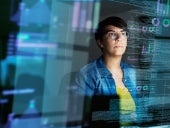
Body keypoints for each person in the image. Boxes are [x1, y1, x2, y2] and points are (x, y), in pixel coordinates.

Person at [70, 16, 137, 127]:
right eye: (112, 34)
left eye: (123, 33)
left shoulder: (132, 72)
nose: (119, 38)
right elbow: (81, 118)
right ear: (100, 42)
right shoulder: (88, 74)